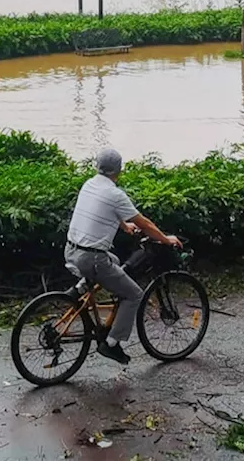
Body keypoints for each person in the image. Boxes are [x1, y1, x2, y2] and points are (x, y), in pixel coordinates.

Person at [65, 148, 182, 365]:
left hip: (72, 251)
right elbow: (144, 223)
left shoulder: (89, 185)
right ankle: (111, 344)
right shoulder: (115, 194)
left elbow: (105, 210)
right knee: (135, 295)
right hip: (92, 259)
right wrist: (166, 239)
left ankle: (78, 290)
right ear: (119, 170)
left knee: (116, 262)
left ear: (96, 166)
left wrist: (123, 225)